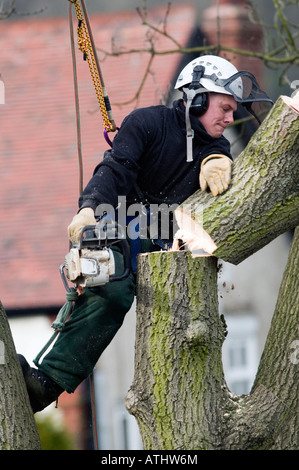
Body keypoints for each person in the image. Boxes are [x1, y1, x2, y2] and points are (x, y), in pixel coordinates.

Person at [19, 55, 272, 413]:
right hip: (120, 235)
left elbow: (216, 156)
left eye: (233, 112)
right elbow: (116, 168)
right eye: (225, 108)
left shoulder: (215, 147)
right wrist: (90, 207)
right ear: (197, 98)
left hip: (167, 255)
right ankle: (46, 384)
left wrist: (217, 160)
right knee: (114, 290)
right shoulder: (147, 124)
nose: (230, 119)